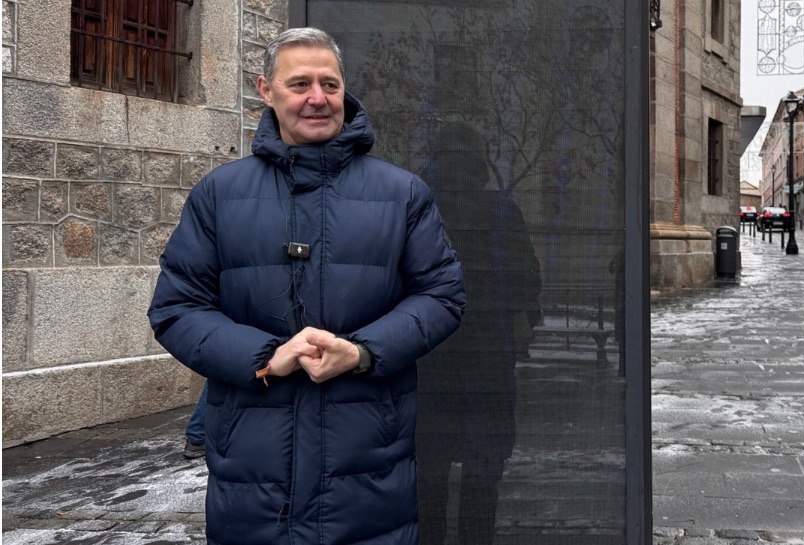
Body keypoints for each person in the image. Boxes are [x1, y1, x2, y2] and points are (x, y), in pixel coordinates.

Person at [147, 27, 466, 545]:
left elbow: (443, 296)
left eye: (330, 84)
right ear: (265, 90)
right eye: (300, 84)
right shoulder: (218, 194)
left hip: (368, 465)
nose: (318, 98)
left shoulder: (403, 193)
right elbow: (177, 308)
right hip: (253, 470)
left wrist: (362, 352)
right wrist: (266, 358)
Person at [416, 122, 541, 545]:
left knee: (427, 475)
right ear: (478, 162)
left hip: (426, 360)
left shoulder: (415, 205)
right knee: (483, 475)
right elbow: (528, 278)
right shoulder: (502, 210)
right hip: (489, 359)